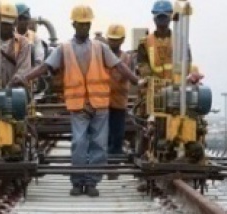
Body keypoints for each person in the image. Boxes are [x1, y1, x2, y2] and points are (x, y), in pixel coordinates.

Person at [13, 5, 144, 197]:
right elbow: (45, 67)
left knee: (99, 145)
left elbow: (119, 67)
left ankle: (92, 182)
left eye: (87, 24)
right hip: (78, 106)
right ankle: (77, 181)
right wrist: (25, 77)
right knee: (80, 143)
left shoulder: (101, 48)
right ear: (74, 24)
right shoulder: (64, 48)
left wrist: (137, 81)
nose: (84, 27)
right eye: (81, 24)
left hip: (99, 105)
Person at [0, 1, 31, 89]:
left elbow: (23, 71)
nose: (7, 27)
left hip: (17, 92)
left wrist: (8, 88)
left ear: (14, 23)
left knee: (18, 96)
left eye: (9, 23)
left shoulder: (22, 42)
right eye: (4, 23)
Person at [106, 24, 132, 159]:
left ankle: (116, 156)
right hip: (103, 101)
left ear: (122, 40)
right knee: (104, 132)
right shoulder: (102, 55)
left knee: (117, 132)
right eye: (111, 39)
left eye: (116, 39)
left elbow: (128, 75)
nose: (113, 42)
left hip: (119, 101)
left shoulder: (127, 58)